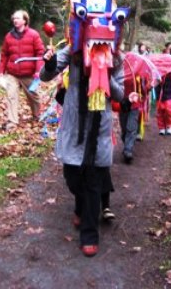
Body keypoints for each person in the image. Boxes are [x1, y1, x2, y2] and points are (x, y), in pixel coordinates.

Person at [40, 45, 126, 257]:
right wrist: (50, 64)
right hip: (74, 125)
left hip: (99, 129)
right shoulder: (73, 51)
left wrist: (105, 73)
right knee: (73, 177)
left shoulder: (116, 57)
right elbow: (45, 76)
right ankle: (80, 205)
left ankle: (89, 234)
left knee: (94, 181)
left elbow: (120, 94)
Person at [0, 10, 45, 130]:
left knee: (34, 96)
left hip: (29, 74)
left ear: (24, 20)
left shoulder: (34, 35)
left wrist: (38, 71)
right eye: (14, 18)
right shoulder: (8, 37)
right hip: (12, 73)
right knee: (11, 95)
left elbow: (40, 54)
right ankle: (12, 121)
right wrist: (0, 73)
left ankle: (38, 115)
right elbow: (4, 55)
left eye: (18, 18)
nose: (15, 20)